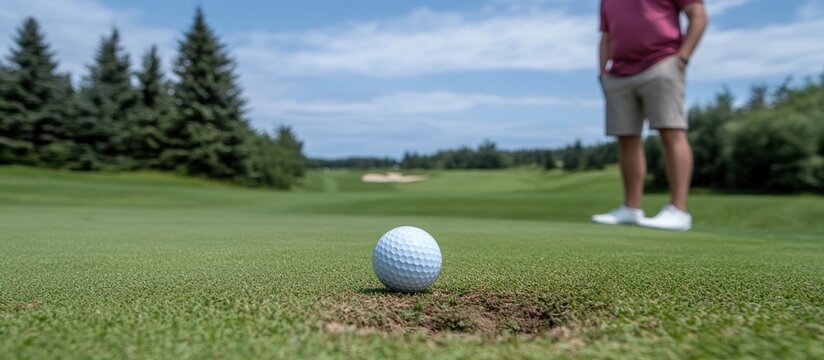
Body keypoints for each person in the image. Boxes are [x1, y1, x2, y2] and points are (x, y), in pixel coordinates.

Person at [592, 0, 708, 231]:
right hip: (618, 72)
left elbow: (698, 15)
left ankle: (678, 210)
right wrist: (602, 72)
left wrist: (682, 58)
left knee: (671, 131)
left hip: (662, 61)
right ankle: (630, 209)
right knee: (626, 139)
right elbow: (606, 35)